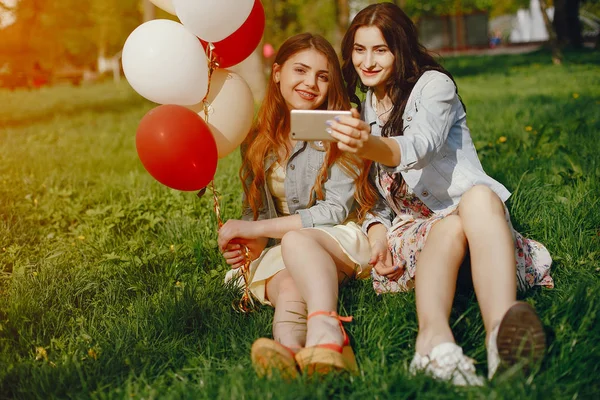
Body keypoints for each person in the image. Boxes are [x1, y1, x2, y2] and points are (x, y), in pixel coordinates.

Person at [327, 3, 554, 385]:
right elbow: (378, 193)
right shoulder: (365, 104)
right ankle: (432, 343)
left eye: (380, 49)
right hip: (419, 230)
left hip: (471, 219)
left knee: (480, 197)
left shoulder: (434, 86)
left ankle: (501, 336)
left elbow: (421, 143)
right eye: (359, 49)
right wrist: (375, 228)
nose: (367, 61)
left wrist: (370, 145)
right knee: (447, 230)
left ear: (401, 49)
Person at [217, 33, 376, 378]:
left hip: (337, 237)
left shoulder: (339, 125)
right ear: (277, 73)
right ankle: (290, 353)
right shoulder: (257, 137)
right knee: (288, 284)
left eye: (322, 76)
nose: (310, 83)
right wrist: (251, 243)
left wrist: (257, 230)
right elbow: (255, 212)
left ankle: (328, 334)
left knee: (295, 243)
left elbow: (335, 210)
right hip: (285, 243)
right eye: (300, 71)